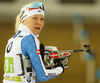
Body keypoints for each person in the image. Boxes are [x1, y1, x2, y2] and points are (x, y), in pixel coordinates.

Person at [3, 1, 68, 83]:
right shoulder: (30, 38)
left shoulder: (12, 40)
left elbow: (28, 76)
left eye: (42, 19)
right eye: (34, 18)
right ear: (23, 20)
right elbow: (42, 76)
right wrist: (59, 69)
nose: (39, 22)